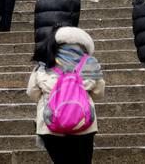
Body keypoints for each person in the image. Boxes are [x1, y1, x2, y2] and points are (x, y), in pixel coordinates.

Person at [26, 25, 105, 164]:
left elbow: (32, 93)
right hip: (83, 124)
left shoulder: (44, 64)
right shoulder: (89, 63)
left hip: (50, 124)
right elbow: (99, 93)